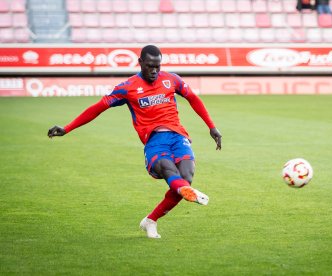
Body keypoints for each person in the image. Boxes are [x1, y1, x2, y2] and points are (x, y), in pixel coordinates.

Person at [48, 45, 222, 239]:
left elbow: (194, 99)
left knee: (186, 177)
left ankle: (151, 220)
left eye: (157, 66)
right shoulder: (127, 87)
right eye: (150, 66)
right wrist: (67, 128)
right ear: (140, 63)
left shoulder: (171, 79)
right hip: (155, 141)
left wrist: (212, 127)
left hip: (178, 137)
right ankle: (184, 191)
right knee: (167, 168)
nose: (154, 71)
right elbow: (97, 108)